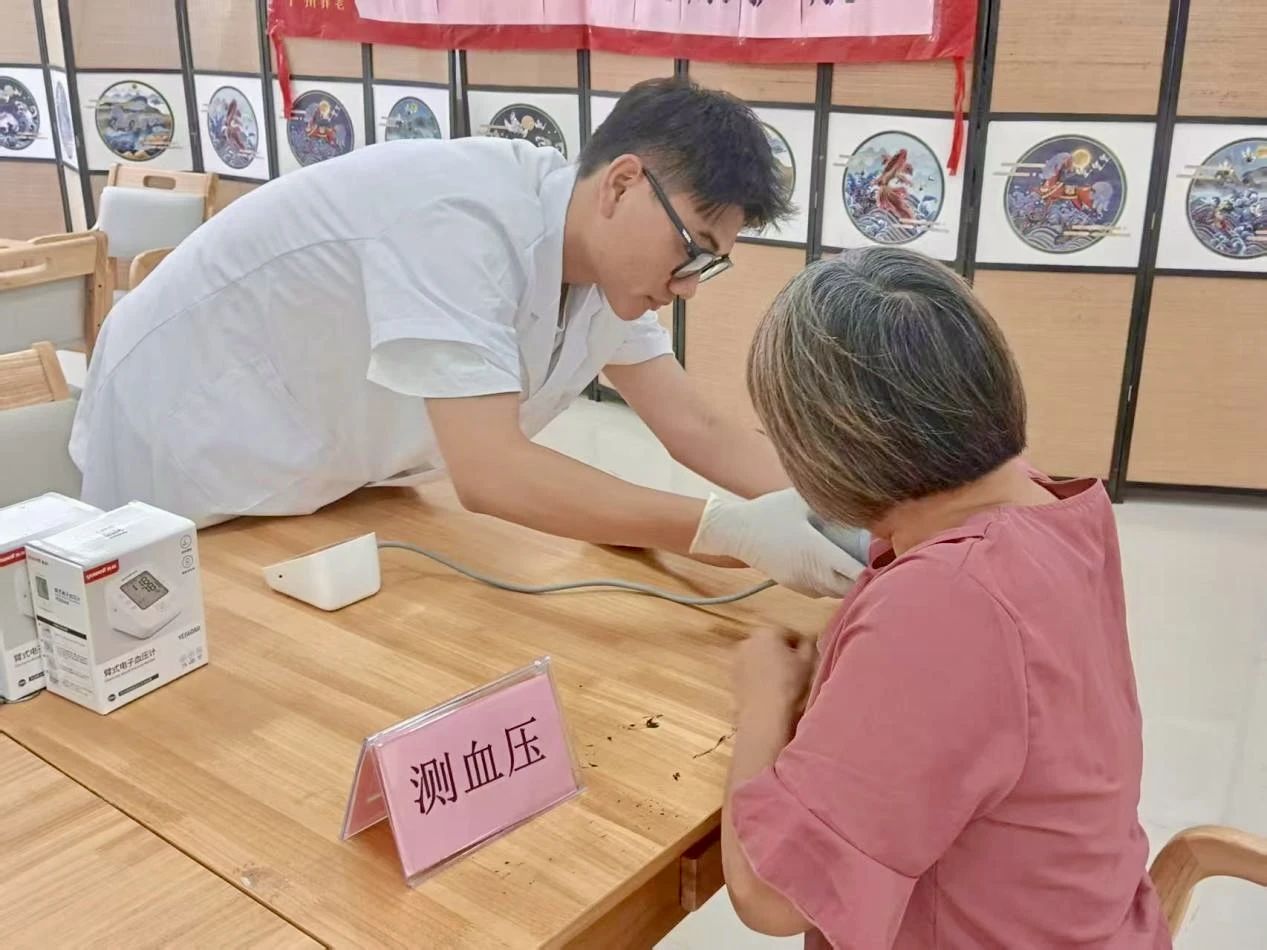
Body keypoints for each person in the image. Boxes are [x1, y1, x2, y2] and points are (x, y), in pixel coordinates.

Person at [71, 78, 863, 597]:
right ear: (622, 184)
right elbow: (492, 473)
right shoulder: (459, 218)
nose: (688, 283)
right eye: (691, 248)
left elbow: (694, 426)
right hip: (189, 425)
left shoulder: (599, 271)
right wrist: (724, 530)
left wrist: (850, 513)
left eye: (709, 264)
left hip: (318, 459)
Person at [722, 248, 1170, 948]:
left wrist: (763, 698)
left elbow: (771, 898)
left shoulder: (948, 601)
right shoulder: (1053, 506)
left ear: (827, 450)